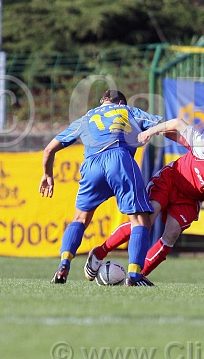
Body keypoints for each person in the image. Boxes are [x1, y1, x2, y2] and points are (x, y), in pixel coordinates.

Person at [84, 117, 204, 280]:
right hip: (170, 181)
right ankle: (99, 253)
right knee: (145, 222)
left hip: (190, 199)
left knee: (172, 234)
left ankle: (137, 277)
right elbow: (178, 123)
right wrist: (149, 132)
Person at [40, 89, 162, 286]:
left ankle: (64, 264)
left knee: (80, 219)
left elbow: (48, 149)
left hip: (92, 165)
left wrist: (47, 174)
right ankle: (134, 274)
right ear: (120, 102)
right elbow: (163, 126)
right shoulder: (127, 110)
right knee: (140, 221)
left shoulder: (85, 118)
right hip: (119, 159)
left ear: (102, 103)